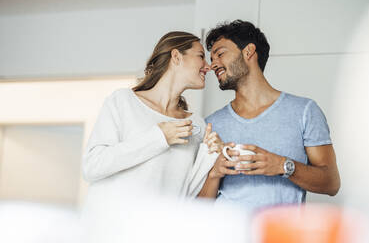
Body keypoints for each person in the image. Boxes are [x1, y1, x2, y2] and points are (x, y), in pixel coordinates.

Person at [198, 20, 340, 211]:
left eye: (220, 54)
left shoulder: (304, 111)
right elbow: (199, 207)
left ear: (248, 51)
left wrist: (282, 166)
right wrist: (214, 173)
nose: (213, 64)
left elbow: (331, 183)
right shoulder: (211, 124)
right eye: (211, 58)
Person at [82, 31, 223, 202]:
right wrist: (159, 137)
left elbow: (189, 199)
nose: (208, 66)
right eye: (201, 56)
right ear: (176, 56)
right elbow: (92, 166)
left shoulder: (196, 124)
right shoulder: (123, 102)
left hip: (160, 227)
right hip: (114, 225)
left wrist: (209, 158)